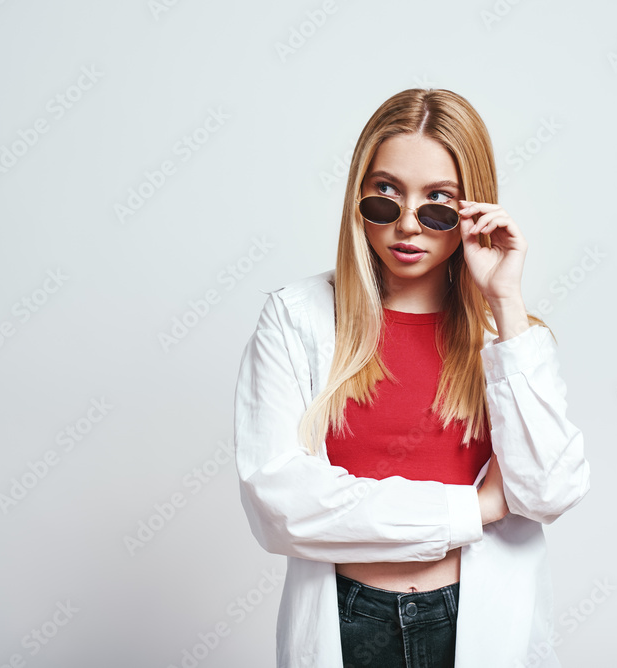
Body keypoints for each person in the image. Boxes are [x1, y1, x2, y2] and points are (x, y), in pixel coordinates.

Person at [233, 88, 590, 667]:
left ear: (472, 207)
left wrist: (504, 299)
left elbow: (549, 491)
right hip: (348, 621)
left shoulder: (513, 339)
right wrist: (476, 509)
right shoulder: (295, 318)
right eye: (386, 194)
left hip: (474, 623)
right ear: (358, 194)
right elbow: (279, 505)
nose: (406, 225)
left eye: (437, 202)